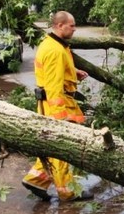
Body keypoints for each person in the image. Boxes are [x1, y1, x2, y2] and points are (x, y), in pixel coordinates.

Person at [22, 11, 91, 202]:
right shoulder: (54, 50)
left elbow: (57, 71)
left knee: (52, 148)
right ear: (60, 26)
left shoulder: (55, 45)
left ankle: (36, 179)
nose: (74, 28)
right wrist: (60, 117)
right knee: (63, 148)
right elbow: (53, 87)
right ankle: (68, 191)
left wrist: (73, 72)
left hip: (55, 103)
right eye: (71, 25)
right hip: (58, 105)